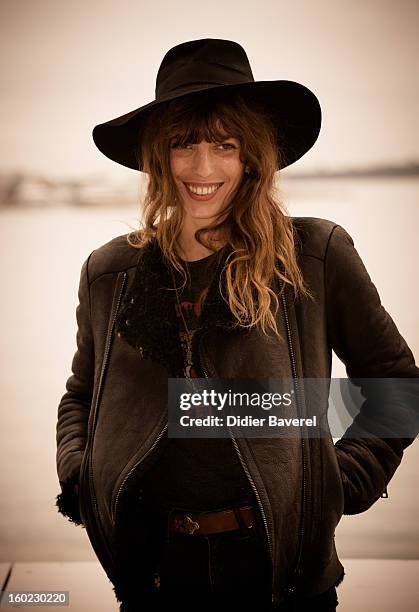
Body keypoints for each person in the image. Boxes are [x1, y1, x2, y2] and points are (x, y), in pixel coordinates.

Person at [55, 38, 419, 612]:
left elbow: (395, 382)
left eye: (225, 145)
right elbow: (82, 395)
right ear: (158, 156)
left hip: (280, 577)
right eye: (182, 145)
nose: (203, 169)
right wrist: (81, 474)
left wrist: (337, 480)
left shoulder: (315, 254)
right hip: (149, 573)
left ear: (251, 154)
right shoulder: (111, 271)